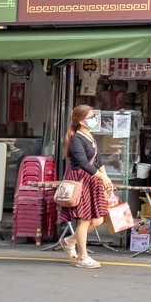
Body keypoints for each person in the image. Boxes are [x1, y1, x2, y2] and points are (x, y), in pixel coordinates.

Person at [59, 105, 113, 269]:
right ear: (81, 120)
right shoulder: (76, 139)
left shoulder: (89, 136)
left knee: (98, 219)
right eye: (91, 117)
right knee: (84, 220)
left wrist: (106, 179)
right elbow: (82, 163)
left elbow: (98, 160)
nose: (94, 119)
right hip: (81, 181)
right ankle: (83, 257)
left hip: (93, 180)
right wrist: (101, 176)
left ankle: (70, 241)